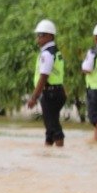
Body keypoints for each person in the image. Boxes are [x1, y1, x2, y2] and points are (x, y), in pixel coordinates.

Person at [27, 19, 66, 147]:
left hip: (51, 94)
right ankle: (47, 154)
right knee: (50, 129)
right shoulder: (55, 52)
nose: (38, 38)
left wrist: (34, 97)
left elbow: (43, 77)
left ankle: (61, 158)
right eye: (37, 35)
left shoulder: (47, 54)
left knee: (54, 128)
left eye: (41, 35)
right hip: (56, 92)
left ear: (50, 36)